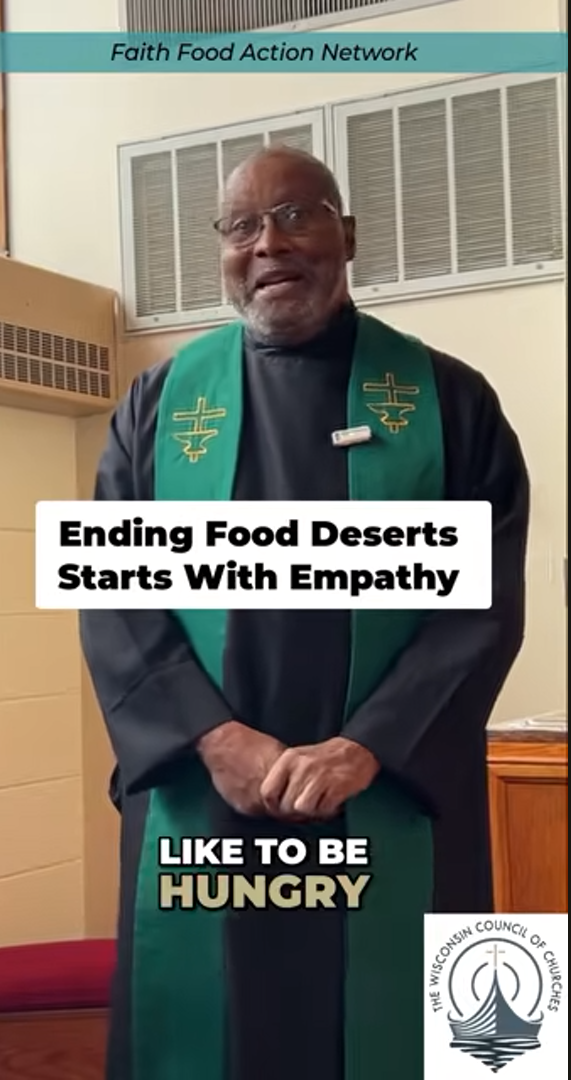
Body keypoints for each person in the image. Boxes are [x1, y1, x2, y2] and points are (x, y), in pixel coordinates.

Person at [80, 146, 529, 1080]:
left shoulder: (450, 403)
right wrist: (210, 737)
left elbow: (480, 606)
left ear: (347, 236)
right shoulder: (158, 407)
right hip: (209, 806)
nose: (268, 243)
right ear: (222, 252)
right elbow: (118, 599)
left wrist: (368, 744)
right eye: (242, 226)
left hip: (387, 800)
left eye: (296, 215)